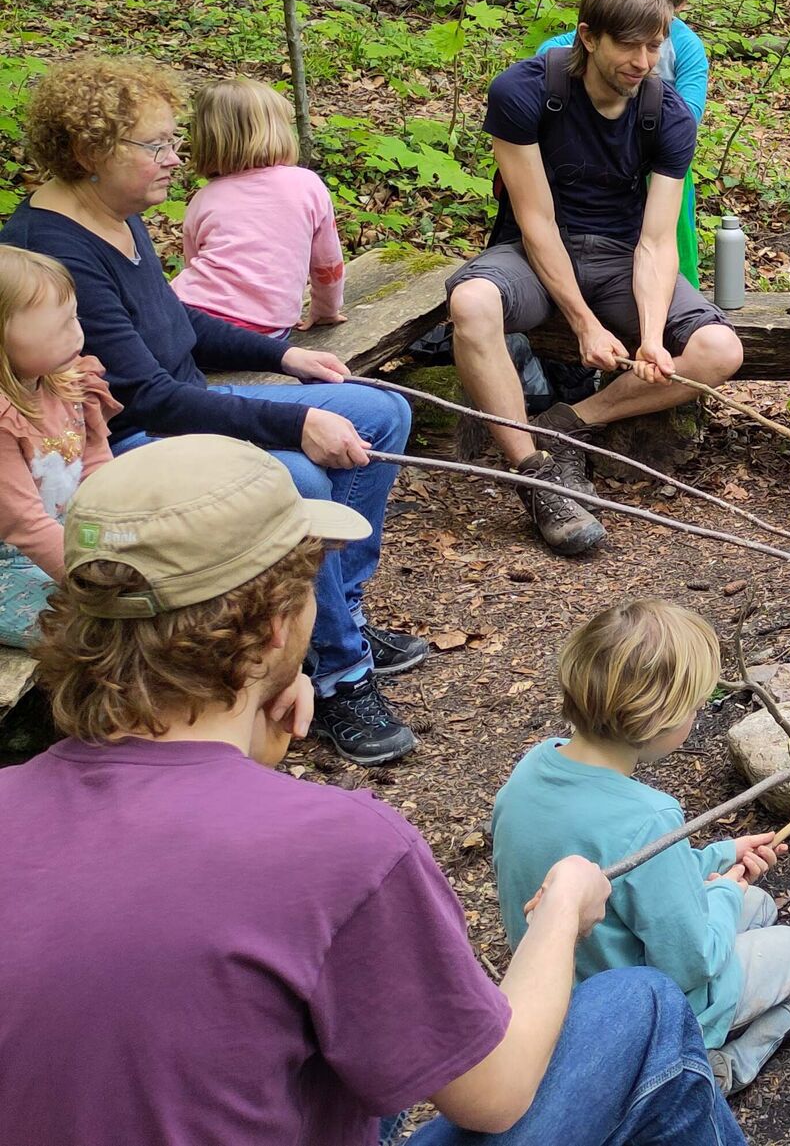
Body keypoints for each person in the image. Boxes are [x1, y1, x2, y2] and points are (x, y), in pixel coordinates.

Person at [0, 435, 745, 1146]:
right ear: (274, 628)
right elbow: (496, 1092)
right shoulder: (343, 847)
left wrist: (248, 763)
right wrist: (560, 909)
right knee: (640, 1003)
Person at [0, 56, 420, 765]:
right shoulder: (52, 248)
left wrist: (282, 356)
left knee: (382, 412)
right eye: (156, 145)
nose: (177, 159)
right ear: (88, 152)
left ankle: (335, 616)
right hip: (138, 437)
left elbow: (177, 322)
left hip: (186, 405)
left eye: (173, 140)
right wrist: (294, 421)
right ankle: (341, 673)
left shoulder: (115, 214)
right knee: (302, 483)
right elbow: (146, 397)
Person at [446, 0, 744, 558]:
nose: (642, 60)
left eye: (654, 46)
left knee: (719, 350)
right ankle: (535, 475)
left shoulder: (669, 114)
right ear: (588, 37)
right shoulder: (523, 92)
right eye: (627, 45)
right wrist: (583, 322)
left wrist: (654, 338)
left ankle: (568, 422)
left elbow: (656, 242)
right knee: (471, 303)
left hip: (620, 257)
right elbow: (536, 222)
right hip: (533, 253)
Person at [492, 598, 790, 1095]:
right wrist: (725, 893)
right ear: (661, 716)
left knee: (758, 906)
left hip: (557, 986)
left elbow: (630, 873)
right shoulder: (649, 817)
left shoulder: (531, 769)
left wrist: (721, 856)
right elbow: (689, 963)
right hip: (633, 1011)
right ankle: (709, 1072)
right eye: (694, 706)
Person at [539, 0, 713, 286]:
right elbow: (551, 54)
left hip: (656, 157)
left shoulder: (686, 45)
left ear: (680, 4)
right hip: (596, 148)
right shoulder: (598, 36)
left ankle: (679, 294)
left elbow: (689, 113)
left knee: (669, 234)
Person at [171, 77, 348, 339]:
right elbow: (327, 263)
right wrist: (325, 309)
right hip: (264, 329)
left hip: (185, 320)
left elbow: (191, 263)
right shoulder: (306, 184)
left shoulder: (204, 198)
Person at [0, 247, 114, 645]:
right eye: (60, 326)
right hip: (11, 565)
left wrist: (113, 526)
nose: (77, 333)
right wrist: (99, 582)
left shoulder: (67, 379)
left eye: (75, 318)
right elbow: (23, 526)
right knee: (97, 630)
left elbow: (96, 457)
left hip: (71, 534)